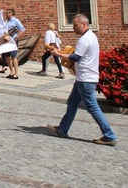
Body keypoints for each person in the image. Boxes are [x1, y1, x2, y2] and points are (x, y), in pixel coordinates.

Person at [48, 14, 118, 147]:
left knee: (92, 107)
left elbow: (76, 57)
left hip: (86, 79)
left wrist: (58, 54)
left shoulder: (85, 39)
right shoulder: (90, 36)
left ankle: (109, 135)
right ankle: (63, 129)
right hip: (83, 78)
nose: (73, 27)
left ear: (84, 24)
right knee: (72, 102)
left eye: (75, 25)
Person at [3, 9, 25, 79]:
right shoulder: (6, 21)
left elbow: (22, 29)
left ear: (12, 13)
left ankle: (16, 73)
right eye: (6, 13)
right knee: (6, 56)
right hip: (7, 41)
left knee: (13, 56)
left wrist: (17, 36)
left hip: (13, 41)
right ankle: (11, 71)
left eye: (9, 13)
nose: (7, 14)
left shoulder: (15, 20)